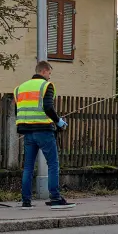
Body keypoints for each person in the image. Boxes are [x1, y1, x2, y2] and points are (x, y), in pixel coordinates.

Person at [16, 61, 73, 210]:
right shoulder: (46, 86)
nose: (49, 77)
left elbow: (20, 111)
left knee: (28, 167)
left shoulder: (20, 88)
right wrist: (59, 122)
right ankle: (55, 198)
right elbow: (48, 107)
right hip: (44, 132)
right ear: (44, 71)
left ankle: (26, 201)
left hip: (27, 133)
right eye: (49, 74)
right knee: (53, 164)